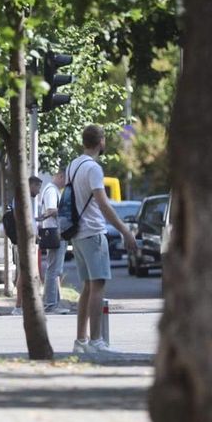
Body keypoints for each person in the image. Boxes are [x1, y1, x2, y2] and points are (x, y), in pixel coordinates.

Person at [66, 124, 137, 356]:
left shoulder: (73, 165)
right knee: (98, 286)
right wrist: (125, 230)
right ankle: (96, 340)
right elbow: (103, 204)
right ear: (101, 142)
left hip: (76, 234)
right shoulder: (93, 168)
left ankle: (80, 339)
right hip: (93, 232)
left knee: (87, 287)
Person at [10, 177, 43, 316]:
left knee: (29, 274)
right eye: (37, 187)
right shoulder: (22, 198)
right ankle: (18, 306)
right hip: (25, 241)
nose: (38, 191)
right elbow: (20, 218)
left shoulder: (25, 199)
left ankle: (25, 304)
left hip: (29, 241)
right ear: (31, 185)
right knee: (24, 273)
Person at [37, 170, 68, 314]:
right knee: (53, 269)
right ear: (60, 176)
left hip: (55, 232)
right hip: (55, 233)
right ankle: (50, 304)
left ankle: (55, 302)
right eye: (65, 179)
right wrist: (67, 208)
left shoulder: (52, 190)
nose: (66, 183)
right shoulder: (51, 190)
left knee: (55, 269)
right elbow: (50, 210)